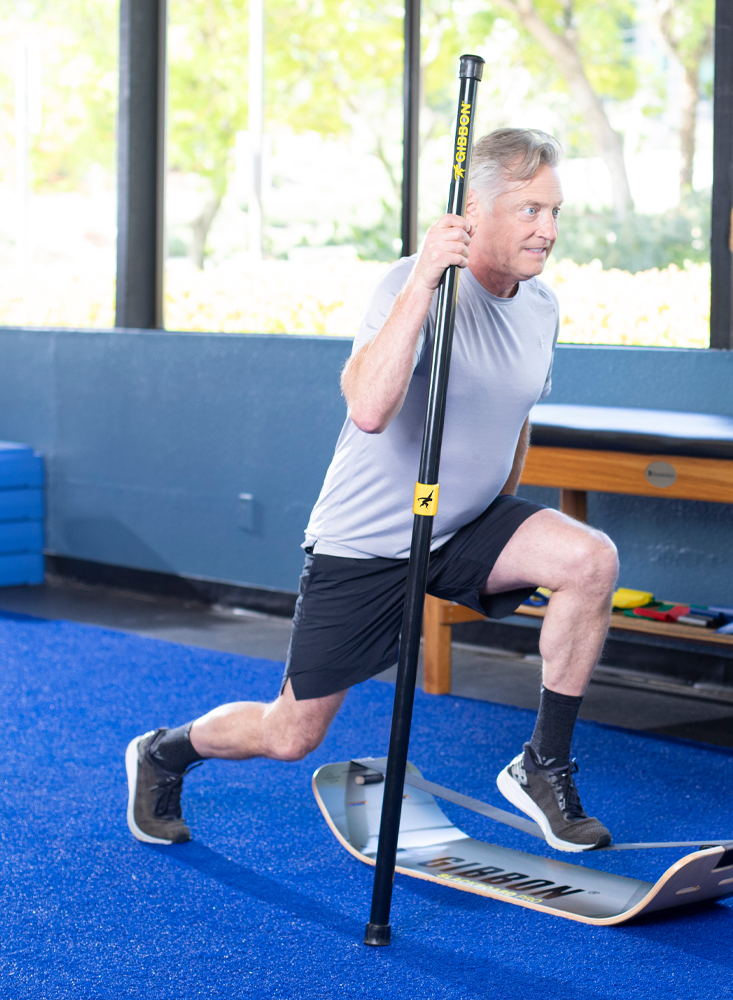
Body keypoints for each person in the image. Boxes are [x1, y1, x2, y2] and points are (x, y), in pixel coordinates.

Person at [125, 128, 619, 854]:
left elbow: (518, 420)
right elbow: (368, 405)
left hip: (465, 527)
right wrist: (423, 281)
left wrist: (503, 517)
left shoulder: (541, 306)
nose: (547, 230)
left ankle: (543, 764)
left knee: (590, 558)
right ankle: (165, 752)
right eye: (529, 211)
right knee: (291, 733)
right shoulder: (411, 283)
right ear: (472, 211)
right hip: (372, 538)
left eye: (555, 211)